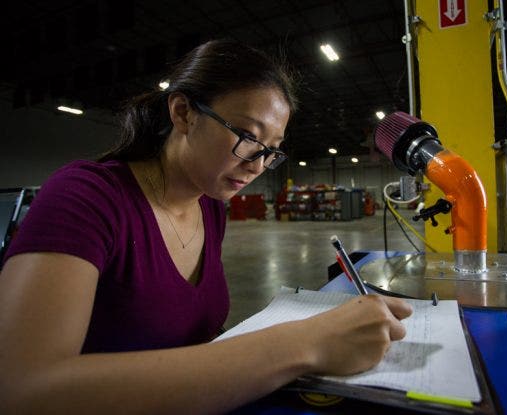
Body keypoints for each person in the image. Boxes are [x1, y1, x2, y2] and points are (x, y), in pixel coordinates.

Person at [0, 39, 412, 414]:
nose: (256, 166)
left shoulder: (211, 207)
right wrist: (302, 344)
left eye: (271, 152)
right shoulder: (87, 197)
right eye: (247, 136)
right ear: (183, 113)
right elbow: (24, 389)